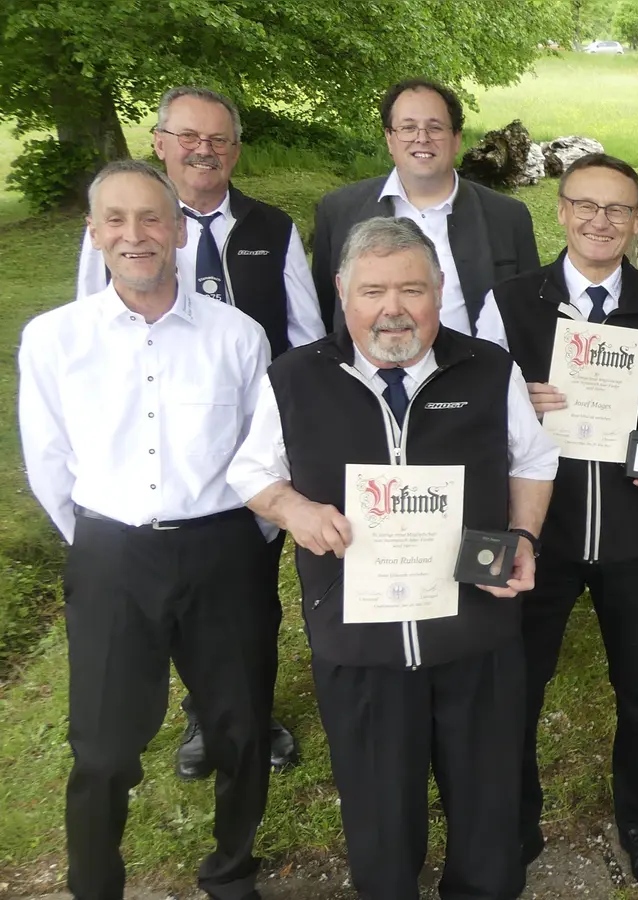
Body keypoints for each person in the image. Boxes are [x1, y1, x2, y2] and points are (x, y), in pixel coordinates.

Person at [227, 216, 560, 900]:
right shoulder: (295, 378)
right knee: (380, 822)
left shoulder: (489, 367)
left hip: (476, 630)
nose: (393, 309)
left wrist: (523, 536)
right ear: (343, 292)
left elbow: (533, 458)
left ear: (440, 292)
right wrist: (295, 511)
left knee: (488, 811)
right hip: (361, 641)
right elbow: (250, 472)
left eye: (412, 289)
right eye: (374, 290)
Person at [20, 159, 278, 900]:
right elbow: (49, 461)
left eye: (152, 218)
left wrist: (235, 542)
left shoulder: (237, 335)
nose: (136, 235)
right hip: (112, 554)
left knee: (241, 731)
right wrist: (103, 540)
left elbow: (261, 453)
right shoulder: (54, 340)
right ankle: (94, 884)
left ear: (176, 231)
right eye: (117, 220)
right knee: (103, 749)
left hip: (223, 550)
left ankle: (232, 872)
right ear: (94, 233)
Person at [72, 84, 310, 782]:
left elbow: (305, 336)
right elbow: (93, 333)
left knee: (249, 600)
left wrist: (291, 439)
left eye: (218, 140)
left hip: (253, 441)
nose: (203, 151)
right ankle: (205, 718)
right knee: (176, 609)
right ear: (160, 143)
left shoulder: (274, 229)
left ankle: (250, 713)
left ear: (235, 149)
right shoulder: (125, 229)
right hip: (161, 441)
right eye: (187, 138)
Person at [487, 153, 638, 886]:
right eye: (586, 206)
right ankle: (517, 820)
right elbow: (479, 396)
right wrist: (519, 395)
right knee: (519, 684)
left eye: (617, 210)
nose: (600, 221)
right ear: (561, 210)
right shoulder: (511, 299)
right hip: (540, 528)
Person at [311, 78, 539, 338]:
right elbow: (325, 310)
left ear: (456, 139)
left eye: (435, 127)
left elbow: (530, 314)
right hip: (368, 376)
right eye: (408, 127)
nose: (422, 138)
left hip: (476, 374)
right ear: (389, 138)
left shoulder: (508, 217)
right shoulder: (339, 210)